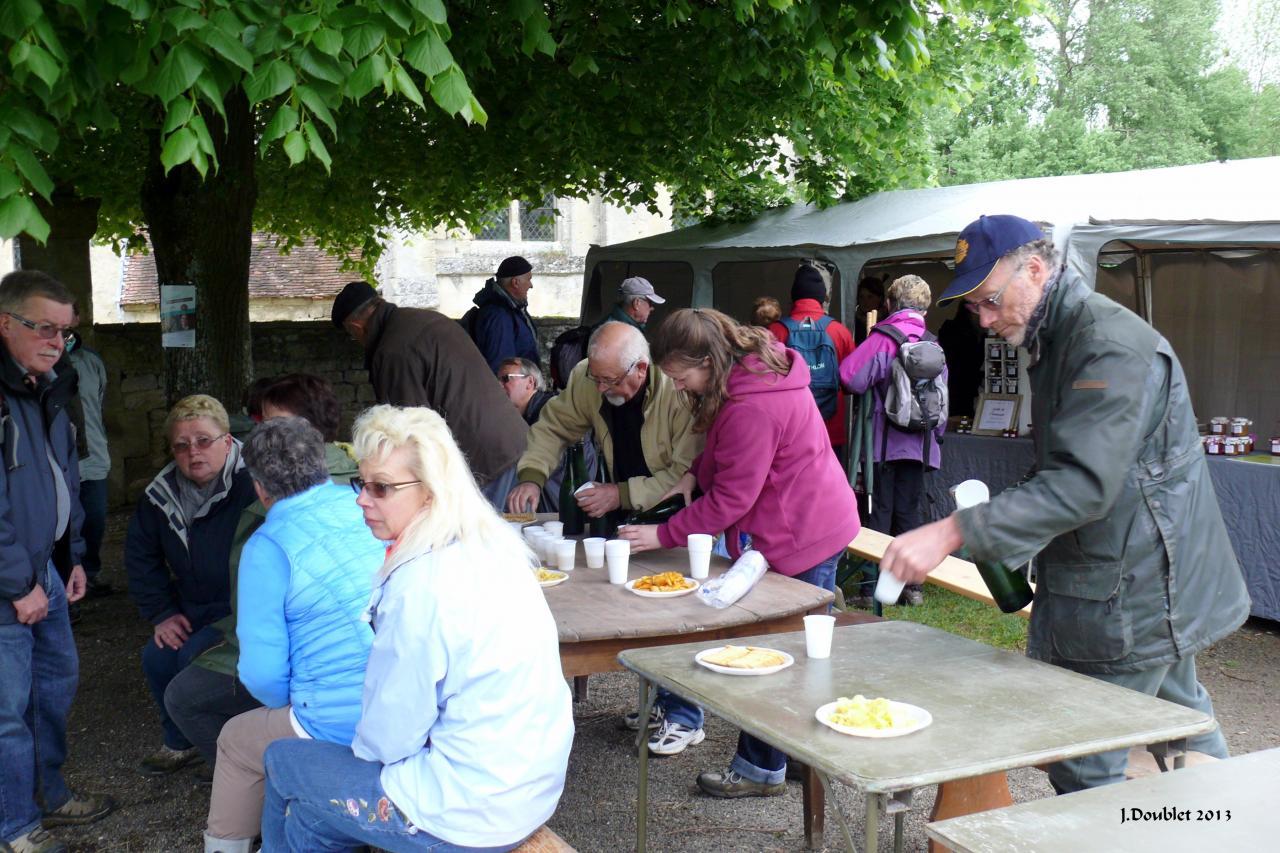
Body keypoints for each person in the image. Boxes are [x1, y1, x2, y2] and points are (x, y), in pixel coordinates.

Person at [880, 214, 1250, 794]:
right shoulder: (1060, 337)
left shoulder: (1105, 346)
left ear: (1035, 269)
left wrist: (953, 531)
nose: (984, 319)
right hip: (1143, 577)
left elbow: (1083, 483)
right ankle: (1231, 822)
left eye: (989, 301)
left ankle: (1212, 823)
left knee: (1084, 762)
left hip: (1135, 589)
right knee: (1184, 732)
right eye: (974, 307)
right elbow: (1072, 462)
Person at [260, 404, 574, 851]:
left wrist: (351, 738)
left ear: (430, 491)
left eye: (381, 488)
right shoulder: (494, 544)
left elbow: (388, 740)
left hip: (465, 814)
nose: (361, 499)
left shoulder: (420, 585)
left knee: (282, 760)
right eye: (362, 483)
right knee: (315, 812)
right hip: (528, 788)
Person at [620, 308, 859, 793]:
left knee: (776, 650)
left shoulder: (751, 405)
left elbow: (732, 499)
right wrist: (695, 474)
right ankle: (796, 756)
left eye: (681, 377)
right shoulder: (753, 374)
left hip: (804, 532)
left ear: (708, 361)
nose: (679, 386)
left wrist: (662, 535)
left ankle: (760, 769)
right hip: (811, 518)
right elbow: (728, 450)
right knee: (792, 648)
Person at [202, 417, 383, 853]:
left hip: (336, 720)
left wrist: (290, 702)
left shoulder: (266, 547)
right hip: (397, 698)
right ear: (323, 463)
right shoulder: (364, 507)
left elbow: (262, 675)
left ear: (259, 486)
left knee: (235, 741)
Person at [165, 374, 358, 771]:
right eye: (260, 422)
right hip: (359, 662)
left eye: (271, 423)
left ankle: (267, 777)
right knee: (186, 655)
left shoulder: (270, 522)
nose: (262, 433)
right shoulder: (364, 480)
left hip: (314, 674)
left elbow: (265, 667)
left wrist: (284, 703)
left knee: (184, 697)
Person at [1, 271, 112, 853]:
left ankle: (47, 794)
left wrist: (72, 559)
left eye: (64, 332)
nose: (56, 342)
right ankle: (15, 827)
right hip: (10, 581)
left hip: (44, 567)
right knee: (6, 711)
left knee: (52, 688)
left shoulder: (48, 386)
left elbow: (63, 480)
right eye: (44, 328)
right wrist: (19, 584)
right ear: (5, 322)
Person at [125, 395, 256, 776]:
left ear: (227, 441)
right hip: (193, 606)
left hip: (240, 609)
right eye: (181, 445)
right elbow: (140, 556)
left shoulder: (253, 483)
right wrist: (162, 613)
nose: (193, 452)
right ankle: (180, 742)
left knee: (194, 660)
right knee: (157, 656)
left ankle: (226, 752)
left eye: (203, 441)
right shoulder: (160, 494)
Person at [330, 281, 528, 510]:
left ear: (355, 326)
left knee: (490, 530)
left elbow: (407, 429)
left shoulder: (393, 350)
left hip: (486, 458)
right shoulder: (422, 320)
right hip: (511, 440)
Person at [506, 322, 702, 526]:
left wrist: (621, 495)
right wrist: (532, 476)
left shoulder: (678, 390)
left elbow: (686, 473)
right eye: (595, 377)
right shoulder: (587, 377)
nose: (600, 388)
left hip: (679, 517)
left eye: (609, 380)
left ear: (641, 369)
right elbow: (553, 429)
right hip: (624, 518)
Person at [838, 274, 948, 607]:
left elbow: (849, 377)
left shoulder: (883, 339)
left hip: (882, 444)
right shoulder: (933, 343)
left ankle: (873, 588)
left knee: (879, 513)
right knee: (909, 513)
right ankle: (912, 587)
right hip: (920, 444)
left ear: (889, 304)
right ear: (925, 308)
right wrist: (935, 438)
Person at [767, 261, 854, 463]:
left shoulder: (775, 331)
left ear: (794, 296)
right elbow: (851, 380)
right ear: (822, 297)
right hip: (830, 429)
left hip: (789, 433)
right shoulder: (839, 331)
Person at [66, 307, 113, 598]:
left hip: (93, 457)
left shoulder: (91, 361)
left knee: (94, 519)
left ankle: (90, 574)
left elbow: (98, 403)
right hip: (58, 462)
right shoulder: (33, 361)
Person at [469, 256, 540, 372]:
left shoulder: (511, 309)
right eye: (528, 279)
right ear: (515, 283)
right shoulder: (498, 316)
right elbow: (501, 367)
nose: (531, 285)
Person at [936, 299, 985, 418]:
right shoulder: (966, 333)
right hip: (962, 381)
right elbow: (973, 359)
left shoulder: (949, 329)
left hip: (951, 380)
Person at [853, 276, 886, 344]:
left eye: (870, 297)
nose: (865, 301)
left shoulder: (887, 321)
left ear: (880, 298)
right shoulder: (853, 322)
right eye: (861, 297)